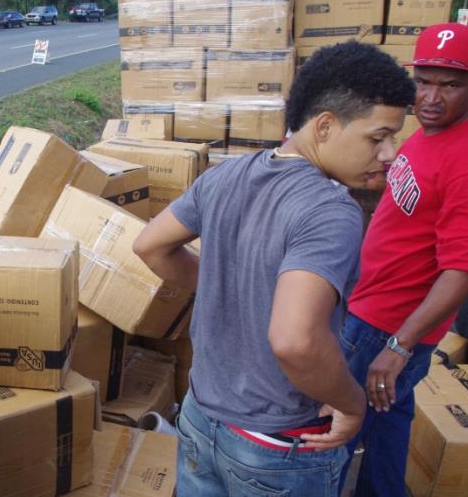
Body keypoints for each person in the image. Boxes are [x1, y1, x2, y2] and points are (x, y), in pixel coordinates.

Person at [133, 40, 415, 496]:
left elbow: (150, 246)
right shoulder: (330, 211)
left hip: (201, 420)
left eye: (394, 137)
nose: (390, 153)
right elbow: (296, 341)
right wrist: (352, 403)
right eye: (378, 136)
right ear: (325, 125)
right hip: (277, 448)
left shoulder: (226, 175)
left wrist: (230, 289)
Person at [339, 23, 468, 496]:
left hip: (387, 324)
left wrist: (398, 346)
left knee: (337, 431)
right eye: (423, 81)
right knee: (385, 424)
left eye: (451, 84)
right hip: (376, 308)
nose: (431, 97)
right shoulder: (427, 133)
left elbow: (462, 270)